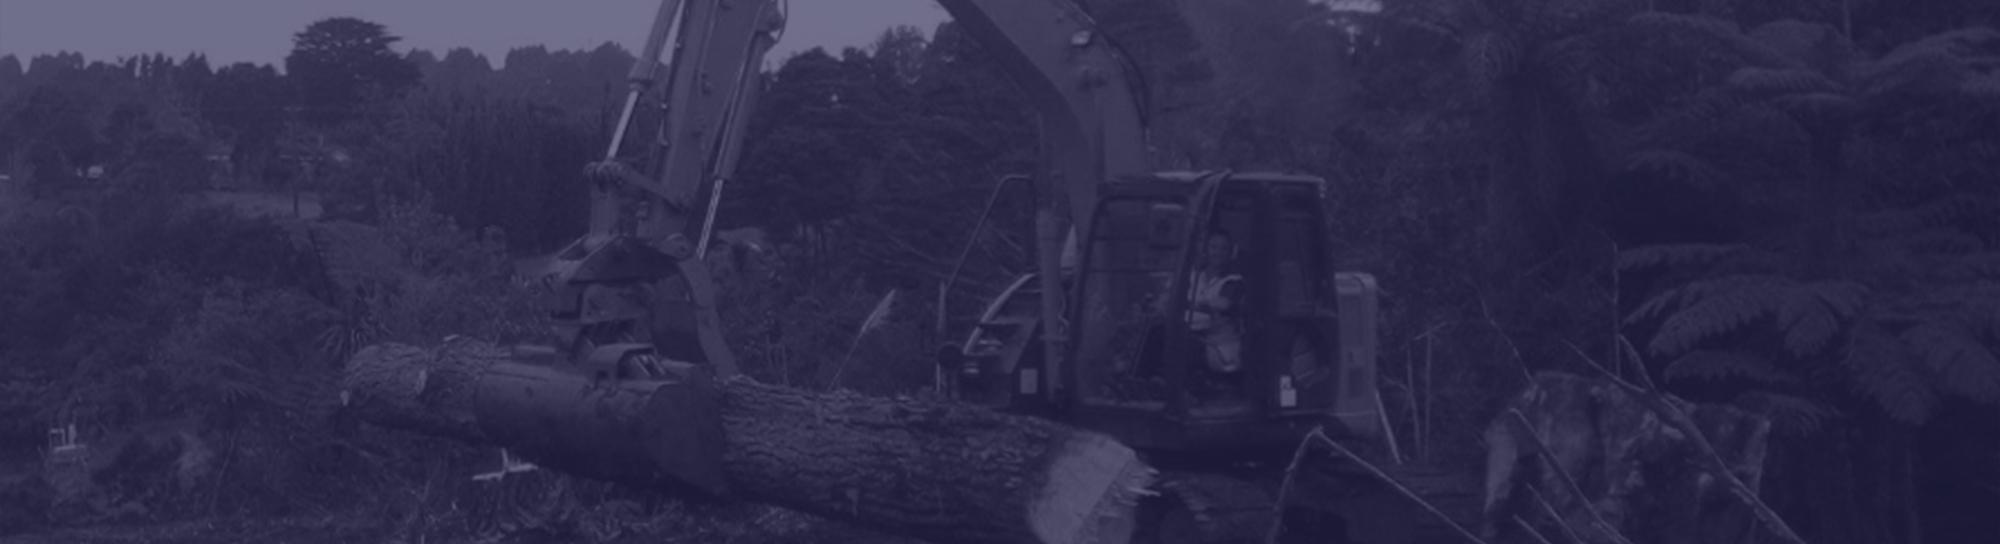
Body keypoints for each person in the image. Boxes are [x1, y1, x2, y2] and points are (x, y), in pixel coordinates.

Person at [1187, 228, 1244, 376]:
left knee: (1185, 345)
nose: (1217, 253)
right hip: (1187, 335)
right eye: (1213, 247)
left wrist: (1189, 304)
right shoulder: (1191, 276)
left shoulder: (1234, 281)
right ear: (1205, 249)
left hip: (1217, 347)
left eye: (1223, 248)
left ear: (1231, 253)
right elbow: (1167, 297)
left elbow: (1223, 304)